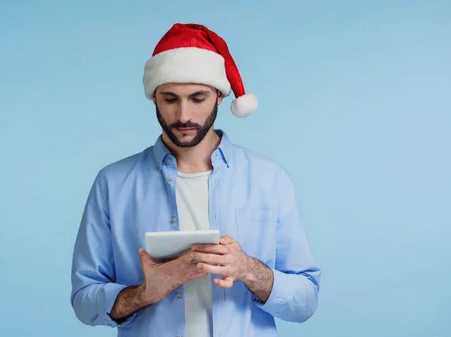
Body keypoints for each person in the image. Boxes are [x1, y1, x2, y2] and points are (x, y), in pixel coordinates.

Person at [70, 23, 321, 337]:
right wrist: (146, 293)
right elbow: (84, 300)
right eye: (170, 99)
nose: (183, 115)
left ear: (218, 95)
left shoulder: (269, 179)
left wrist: (249, 270)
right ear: (154, 98)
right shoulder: (113, 183)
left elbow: (306, 300)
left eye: (198, 98)